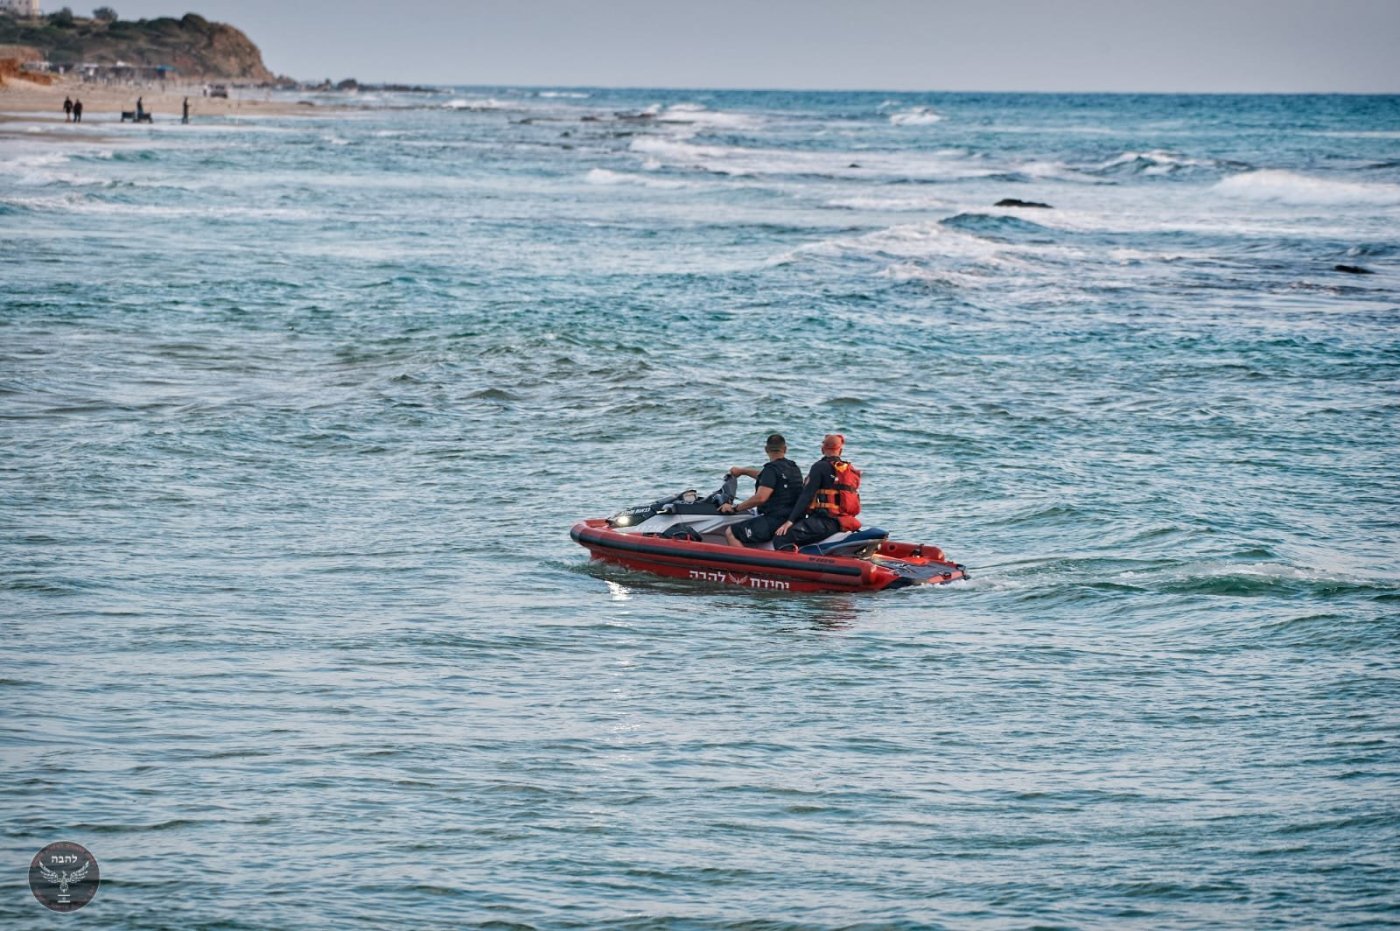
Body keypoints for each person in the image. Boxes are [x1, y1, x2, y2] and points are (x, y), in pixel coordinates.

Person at [773, 433, 861, 551]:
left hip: (826, 522)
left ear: (822, 449)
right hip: (845, 521)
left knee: (781, 537)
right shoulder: (849, 470)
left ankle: (795, 566)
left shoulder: (820, 467)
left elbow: (806, 495)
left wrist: (790, 521)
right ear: (840, 450)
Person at [716, 433, 803, 548]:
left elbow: (761, 498)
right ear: (785, 449)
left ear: (766, 449)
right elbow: (767, 478)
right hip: (793, 519)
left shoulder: (771, 470)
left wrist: (735, 508)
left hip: (775, 521)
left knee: (731, 532)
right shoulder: (793, 468)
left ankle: (743, 564)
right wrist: (743, 471)